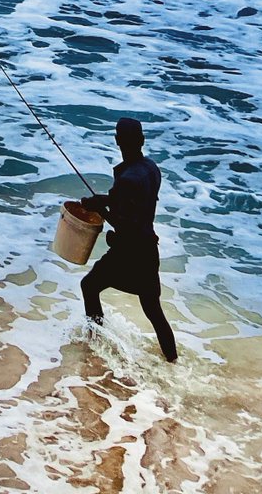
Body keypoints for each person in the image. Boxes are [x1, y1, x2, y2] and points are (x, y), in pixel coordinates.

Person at [80, 116, 177, 362]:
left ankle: (95, 343)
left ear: (117, 141)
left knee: (89, 286)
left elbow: (126, 223)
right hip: (148, 251)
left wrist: (101, 211)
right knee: (154, 311)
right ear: (142, 140)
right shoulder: (151, 169)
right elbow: (134, 203)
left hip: (128, 253)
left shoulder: (127, 180)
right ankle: (173, 360)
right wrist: (103, 200)